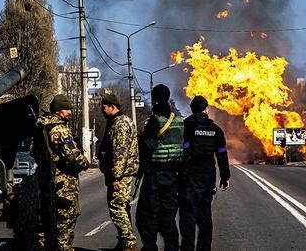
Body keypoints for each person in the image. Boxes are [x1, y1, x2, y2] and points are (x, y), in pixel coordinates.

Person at [31, 94, 90, 251]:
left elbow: (34, 153)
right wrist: (86, 163)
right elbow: (72, 155)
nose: (70, 112)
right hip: (63, 185)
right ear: (59, 110)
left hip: (45, 182)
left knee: (44, 227)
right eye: (67, 109)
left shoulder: (41, 128)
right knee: (65, 228)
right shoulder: (60, 129)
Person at [135, 84, 185, 251]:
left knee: (146, 215)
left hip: (154, 176)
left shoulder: (154, 121)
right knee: (168, 216)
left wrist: (140, 170)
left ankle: (150, 247)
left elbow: (148, 147)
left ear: (155, 99)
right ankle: (172, 248)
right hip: (173, 177)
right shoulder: (178, 121)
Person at [179, 96, 230, 251]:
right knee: (205, 216)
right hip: (207, 179)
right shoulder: (216, 130)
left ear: (192, 109)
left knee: (188, 216)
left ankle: (187, 248)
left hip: (188, 178)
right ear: (206, 109)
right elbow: (221, 154)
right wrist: (225, 176)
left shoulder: (185, 127)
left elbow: (182, 152)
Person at [97, 93, 140, 251]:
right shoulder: (117, 121)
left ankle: (129, 243)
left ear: (112, 107)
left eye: (104, 108)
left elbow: (119, 152)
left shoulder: (120, 124)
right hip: (123, 173)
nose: (102, 111)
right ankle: (123, 242)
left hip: (121, 175)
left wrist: (116, 177)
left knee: (116, 207)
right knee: (123, 206)